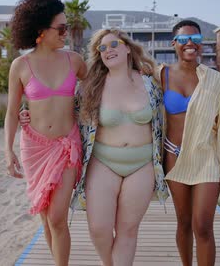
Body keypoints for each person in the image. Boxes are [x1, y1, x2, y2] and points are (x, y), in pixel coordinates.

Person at [71, 29, 169, 266]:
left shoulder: (151, 82)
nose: (108, 50)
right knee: (99, 229)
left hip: (142, 165)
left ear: (127, 48)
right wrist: (28, 117)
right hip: (103, 162)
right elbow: (65, 115)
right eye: (102, 48)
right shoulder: (89, 87)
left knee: (127, 230)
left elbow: (175, 109)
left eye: (114, 44)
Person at [4, 0, 86, 266]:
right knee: (45, 215)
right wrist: (8, 150)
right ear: (40, 30)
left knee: (57, 217)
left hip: (66, 146)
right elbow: (11, 112)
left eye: (67, 28)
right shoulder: (20, 65)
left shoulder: (74, 60)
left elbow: (100, 87)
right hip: (34, 148)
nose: (66, 33)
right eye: (61, 28)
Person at [156, 20, 220, 266]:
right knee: (184, 222)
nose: (190, 44)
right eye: (183, 39)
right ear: (174, 44)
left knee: (202, 226)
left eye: (196, 40)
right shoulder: (160, 75)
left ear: (202, 44)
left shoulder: (217, 81)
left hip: (206, 158)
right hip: (174, 158)